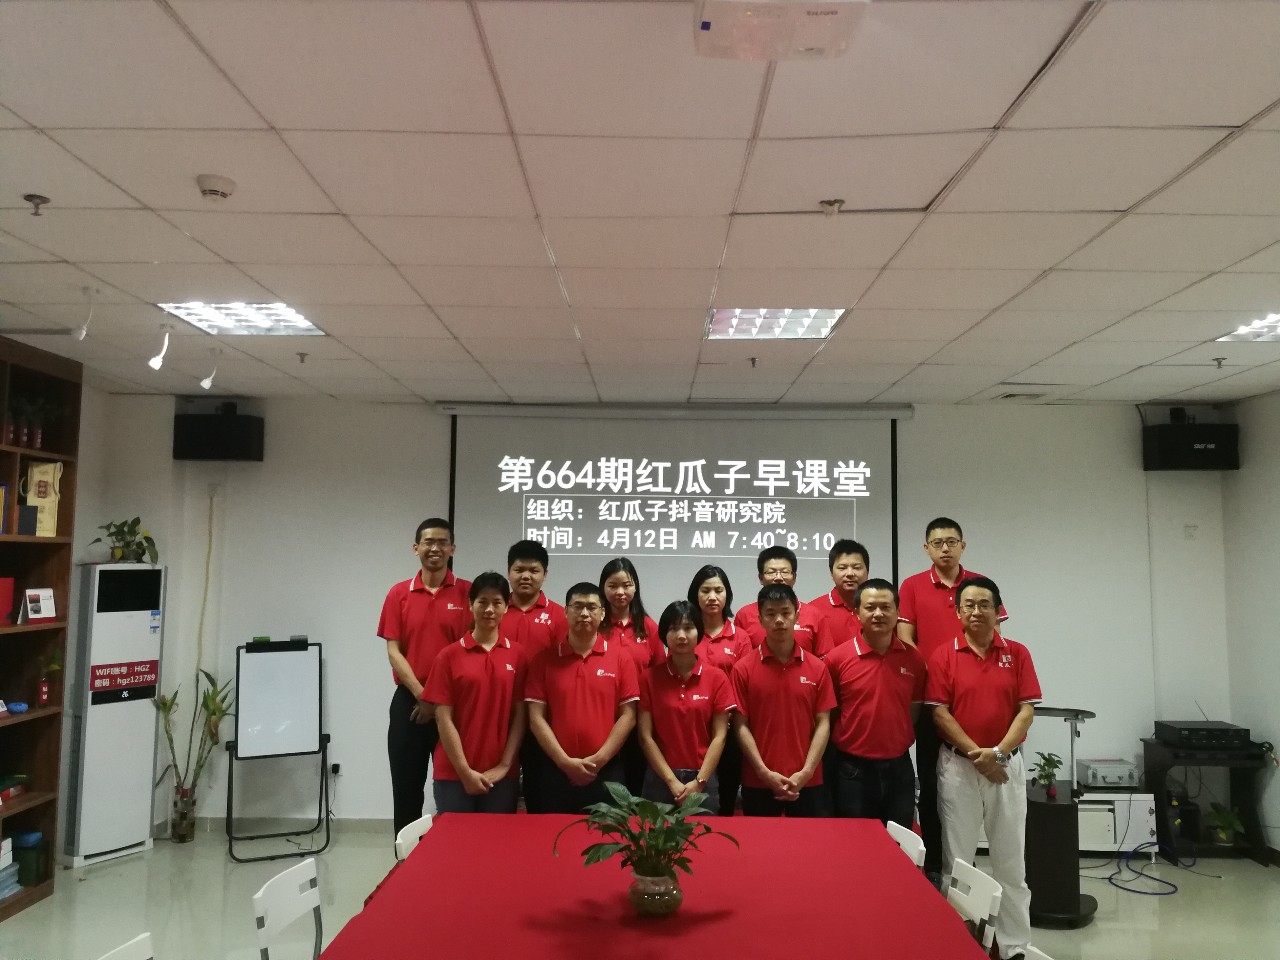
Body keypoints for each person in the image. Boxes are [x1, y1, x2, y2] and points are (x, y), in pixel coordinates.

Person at [926, 576, 1039, 960]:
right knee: (958, 862)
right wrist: (980, 756)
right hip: (959, 768)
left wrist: (999, 755)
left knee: (1011, 863)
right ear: (958, 612)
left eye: (984, 604)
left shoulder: (1018, 654)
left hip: (1006, 767)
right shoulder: (943, 655)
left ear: (997, 610)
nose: (976, 611)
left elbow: (1026, 711)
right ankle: (962, 944)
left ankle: (1014, 946)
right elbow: (940, 714)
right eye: (969, 605)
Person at [898, 517, 1006, 878]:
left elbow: (996, 636)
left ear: (963, 545)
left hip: (976, 698)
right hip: (934, 701)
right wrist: (937, 674)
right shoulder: (912, 586)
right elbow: (906, 639)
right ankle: (935, 864)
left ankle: (966, 865)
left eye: (951, 541)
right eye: (937, 542)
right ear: (926, 548)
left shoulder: (979, 586)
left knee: (980, 784)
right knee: (932, 786)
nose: (945, 548)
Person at [377, 517, 472, 835]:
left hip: (456, 706)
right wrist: (424, 695)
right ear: (416, 548)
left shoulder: (468, 593)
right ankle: (405, 860)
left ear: (452, 549)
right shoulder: (398, 594)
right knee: (406, 790)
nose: (435, 548)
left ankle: (455, 855)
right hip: (410, 703)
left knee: (456, 789)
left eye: (442, 542)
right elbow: (394, 651)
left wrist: (438, 700)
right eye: (429, 542)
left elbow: (469, 651)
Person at [525, 582, 639, 813]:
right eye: (577, 607)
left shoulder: (621, 659)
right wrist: (565, 762)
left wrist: (598, 761)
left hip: (606, 771)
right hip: (556, 771)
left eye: (591, 607)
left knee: (608, 835)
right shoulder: (544, 660)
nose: (584, 613)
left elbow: (628, 717)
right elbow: (536, 718)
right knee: (552, 834)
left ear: (602, 613)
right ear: (566, 612)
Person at [421, 573, 526, 814]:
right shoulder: (448, 656)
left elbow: (520, 715)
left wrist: (504, 765)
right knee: (456, 838)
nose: (489, 609)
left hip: (501, 776)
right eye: (482, 602)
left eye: (497, 603)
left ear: (506, 607)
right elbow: (443, 718)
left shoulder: (518, 655)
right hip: (453, 774)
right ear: (470, 605)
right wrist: (464, 771)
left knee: (497, 837)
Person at [824, 578, 925, 825]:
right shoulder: (837, 659)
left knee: (899, 840)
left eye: (886, 607)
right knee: (853, 840)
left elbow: (913, 710)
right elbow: (831, 713)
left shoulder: (913, 659)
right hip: (852, 770)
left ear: (898, 612)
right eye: (870, 607)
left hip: (899, 767)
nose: (878, 614)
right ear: (857, 613)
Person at [731, 584, 835, 818]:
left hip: (808, 780)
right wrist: (763, 772)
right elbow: (740, 725)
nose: (779, 620)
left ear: (797, 616)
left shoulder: (818, 668)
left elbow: (823, 723)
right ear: (760, 619)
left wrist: (806, 772)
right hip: (758, 780)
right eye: (770, 614)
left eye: (786, 612)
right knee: (759, 841)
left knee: (809, 841)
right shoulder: (742, 669)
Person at [637, 601, 736, 811]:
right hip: (659, 778)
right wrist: (671, 780)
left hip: (703, 777)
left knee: (703, 833)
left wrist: (699, 781)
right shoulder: (649, 678)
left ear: (699, 632)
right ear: (664, 634)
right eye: (674, 629)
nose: (681, 635)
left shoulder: (717, 678)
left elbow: (720, 736)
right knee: (654, 833)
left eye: (688, 628)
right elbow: (645, 736)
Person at [503, 539, 568, 812]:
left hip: (542, 717)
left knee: (539, 791)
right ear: (509, 572)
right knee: (501, 790)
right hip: (501, 713)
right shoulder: (495, 611)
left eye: (534, 570)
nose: (526, 576)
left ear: (545, 574)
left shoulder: (559, 616)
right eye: (519, 570)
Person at [688, 564, 751, 815]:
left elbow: (744, 686)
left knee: (725, 801)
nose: (712, 597)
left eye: (718, 590)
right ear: (695, 594)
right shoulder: (686, 633)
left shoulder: (740, 637)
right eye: (705, 591)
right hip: (692, 728)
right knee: (690, 801)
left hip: (729, 731)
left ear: (727, 595)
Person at [598, 557, 663, 794]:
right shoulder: (595, 626)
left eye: (626, 585)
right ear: (603, 588)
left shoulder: (648, 627)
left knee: (636, 787)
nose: (620, 592)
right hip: (603, 720)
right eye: (613, 585)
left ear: (635, 587)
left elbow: (660, 676)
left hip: (641, 722)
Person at [734, 546, 833, 655]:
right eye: (771, 572)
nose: (778, 578)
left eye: (785, 572)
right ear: (761, 578)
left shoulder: (814, 615)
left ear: (794, 577)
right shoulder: (744, 616)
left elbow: (824, 660)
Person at [810, 539, 871, 649]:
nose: (850, 574)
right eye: (842, 568)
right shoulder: (814, 610)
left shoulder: (879, 610)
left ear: (867, 571)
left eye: (857, 568)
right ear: (831, 573)